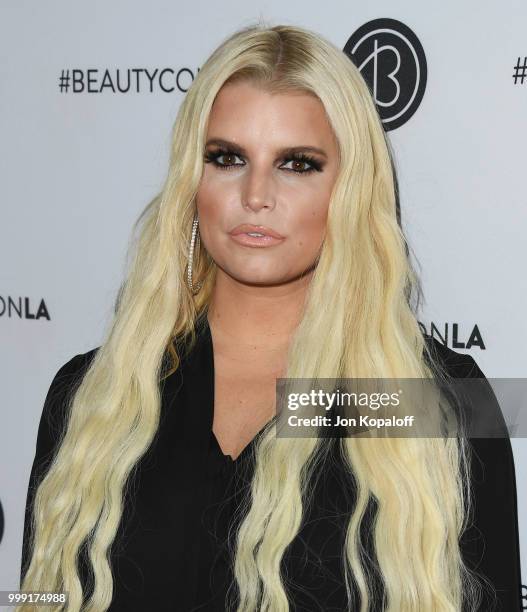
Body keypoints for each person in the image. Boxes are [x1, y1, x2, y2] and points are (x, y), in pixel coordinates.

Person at [19, 22, 522, 612]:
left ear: (351, 188)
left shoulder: (434, 401)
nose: (256, 193)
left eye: (298, 163)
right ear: (192, 179)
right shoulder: (94, 397)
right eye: (227, 157)